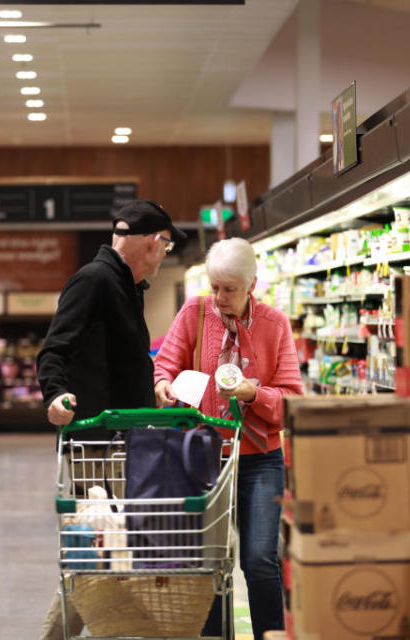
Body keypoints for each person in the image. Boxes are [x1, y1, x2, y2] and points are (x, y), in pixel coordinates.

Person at [36, 199, 186, 640]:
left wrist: (150, 393)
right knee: (101, 553)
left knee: (106, 552)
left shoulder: (123, 285)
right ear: (155, 243)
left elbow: (113, 363)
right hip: (97, 446)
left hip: (119, 442)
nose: (164, 254)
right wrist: (56, 395)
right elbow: (54, 350)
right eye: (166, 246)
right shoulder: (95, 281)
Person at [153, 237, 302, 640]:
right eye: (215, 286)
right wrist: (164, 384)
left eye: (229, 289)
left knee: (259, 560)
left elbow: (292, 401)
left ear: (251, 285)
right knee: (211, 559)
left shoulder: (274, 325)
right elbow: (165, 366)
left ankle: (270, 635)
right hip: (204, 456)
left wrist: (256, 395)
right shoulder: (195, 313)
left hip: (260, 457)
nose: (219, 297)